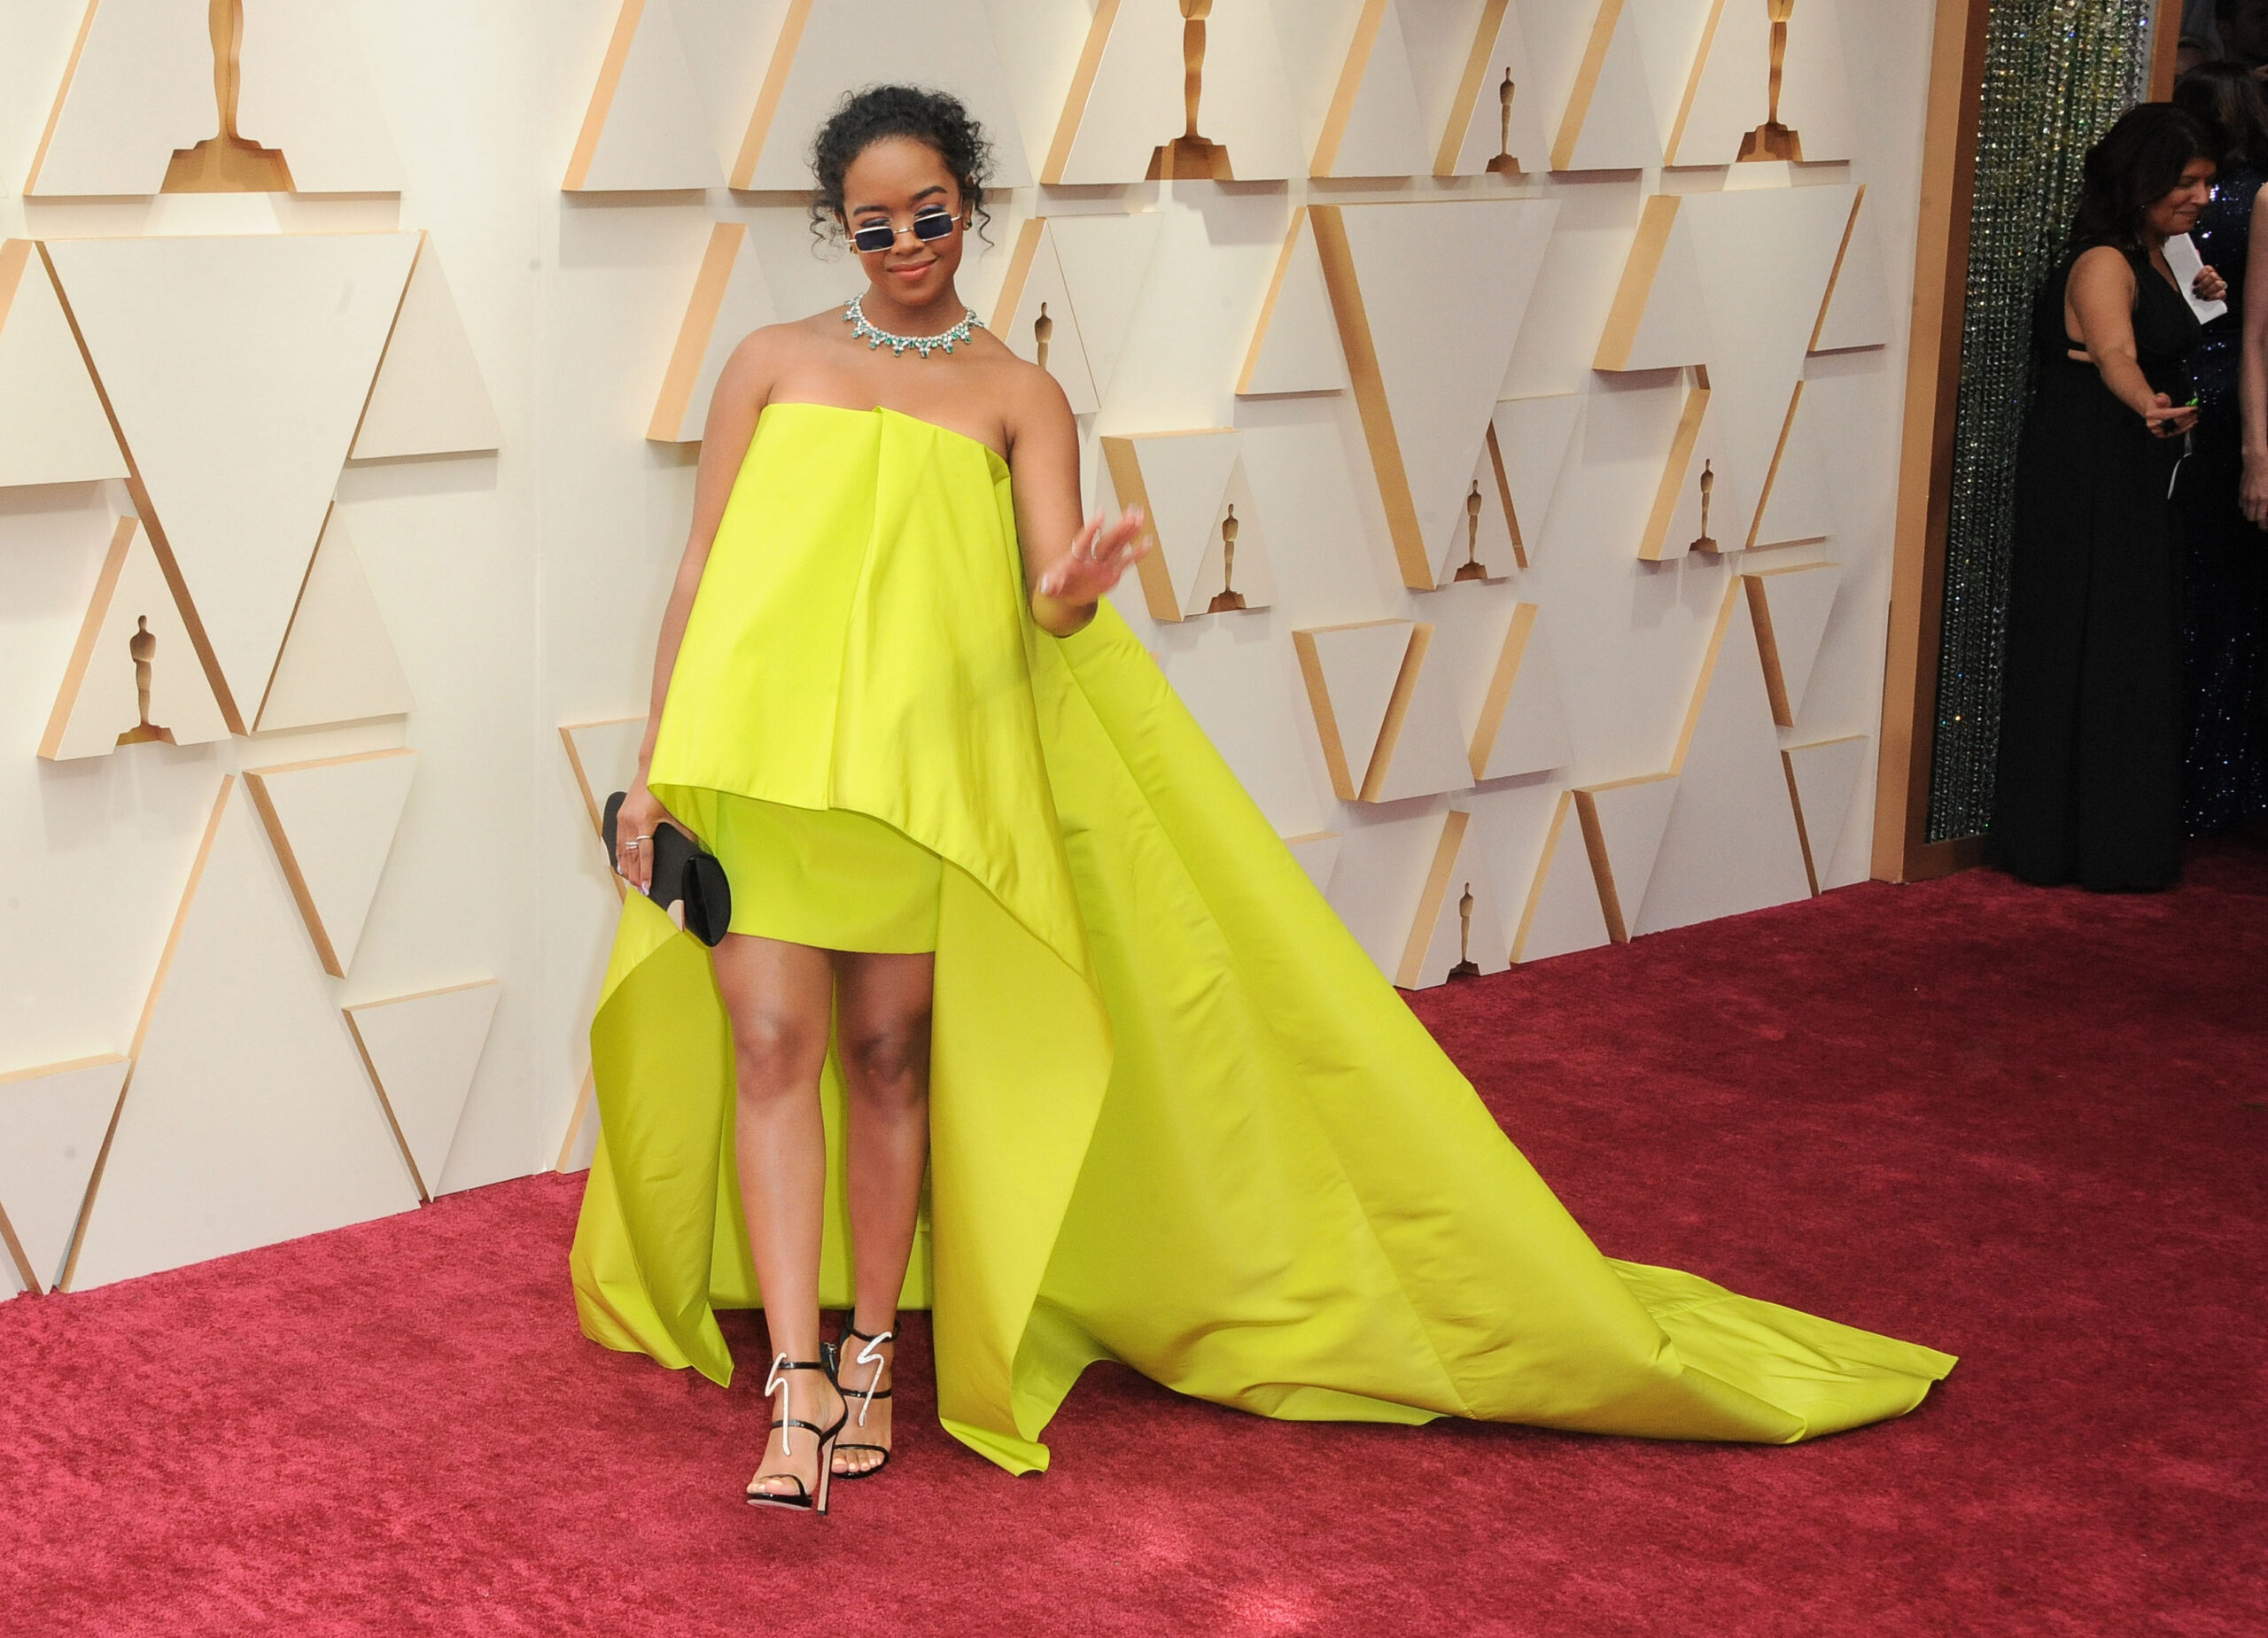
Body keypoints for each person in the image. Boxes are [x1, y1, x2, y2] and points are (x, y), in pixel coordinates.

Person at [570, 86, 1953, 1516]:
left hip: (927, 786)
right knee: (771, 1047)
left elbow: (1048, 600)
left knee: (888, 1059)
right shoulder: (768, 363)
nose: (908, 243)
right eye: (875, 226)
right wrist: (659, 768)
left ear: (969, 206)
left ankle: (870, 1350)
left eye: (931, 214)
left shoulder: (1018, 394)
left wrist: (1075, 585)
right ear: (839, 230)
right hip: (765, 768)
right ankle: (795, 1377)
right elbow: (702, 570)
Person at [1990, 105, 2225, 890]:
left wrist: (2202, 294)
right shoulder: (2102, 261)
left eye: (2207, 182)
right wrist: (2147, 403)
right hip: (2091, 467)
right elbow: (2115, 351)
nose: (2201, 197)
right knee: (2094, 635)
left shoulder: (2166, 253)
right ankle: (2071, 838)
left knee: (2128, 639)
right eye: (2186, 182)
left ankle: (2110, 834)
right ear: (2141, 181)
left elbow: (2161, 334)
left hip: (2135, 466)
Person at [2172, 65, 2268, 834]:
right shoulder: (2248, 196)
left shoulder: (2219, 198)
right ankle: (2219, 775)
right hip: (2221, 387)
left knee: (2211, 583)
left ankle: (2206, 773)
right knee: (2223, 583)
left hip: (2209, 379)